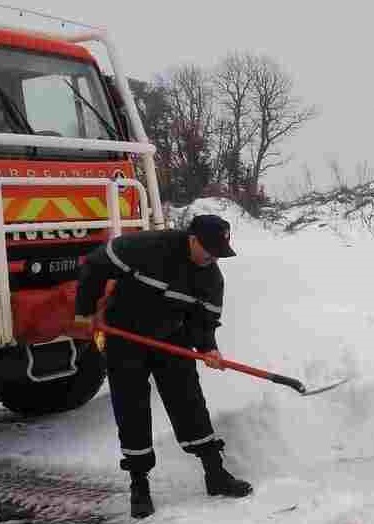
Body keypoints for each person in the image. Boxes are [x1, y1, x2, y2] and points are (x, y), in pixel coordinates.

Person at [74, 214, 253, 519]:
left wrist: (208, 347)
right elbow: (95, 264)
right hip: (125, 336)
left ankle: (215, 473)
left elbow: (204, 319)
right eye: (207, 249)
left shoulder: (210, 277)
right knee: (132, 406)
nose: (211, 258)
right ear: (192, 239)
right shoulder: (148, 247)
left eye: (217, 252)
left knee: (189, 401)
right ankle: (139, 485)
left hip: (171, 337)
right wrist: (86, 310)